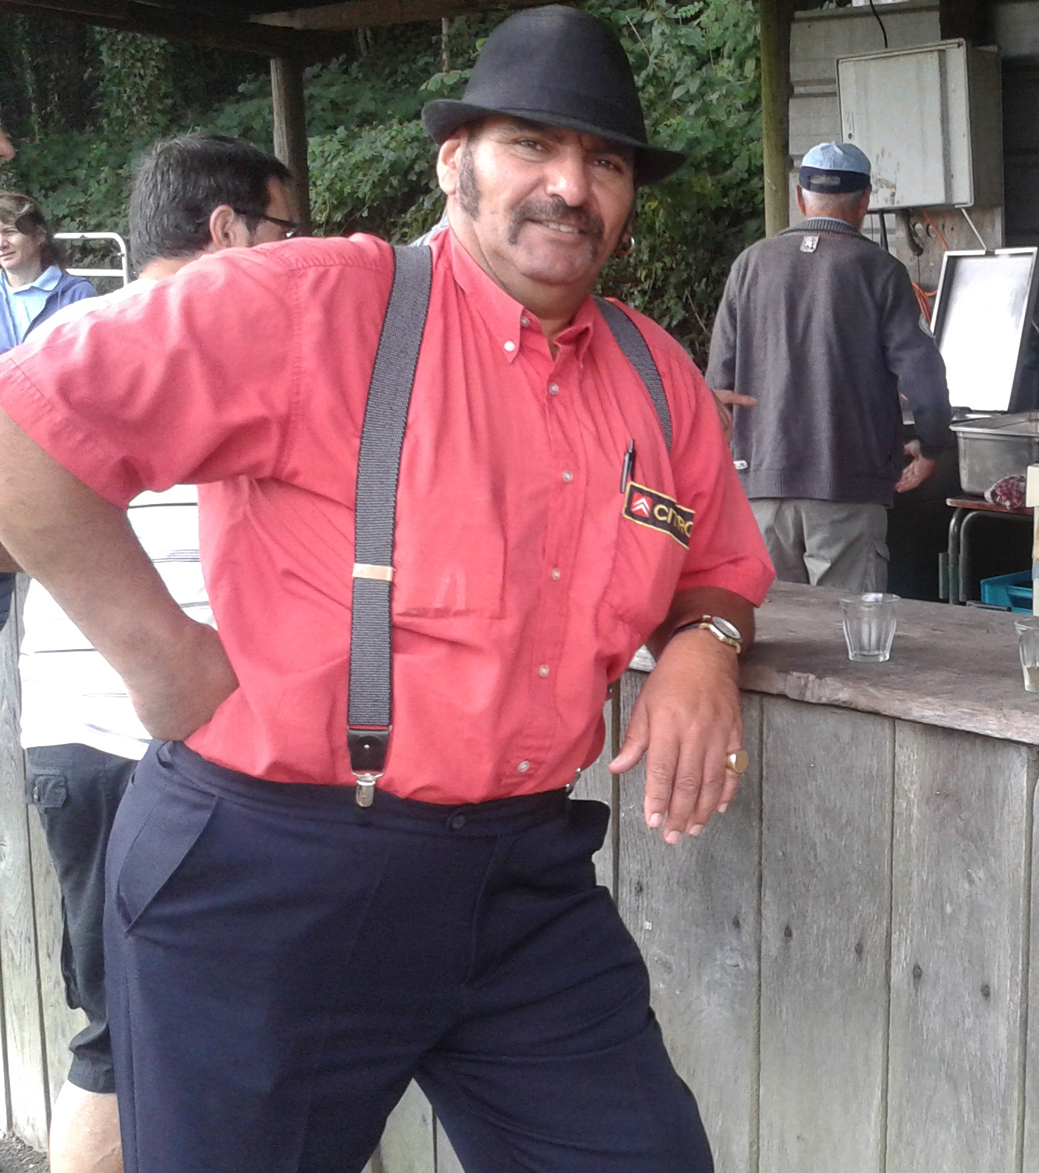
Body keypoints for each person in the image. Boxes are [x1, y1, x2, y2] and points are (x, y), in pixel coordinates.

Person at [0, 7, 773, 1173]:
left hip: (522, 876)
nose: (571, 186)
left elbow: (716, 565)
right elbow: (22, 434)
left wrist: (707, 644)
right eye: (532, 145)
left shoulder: (657, 377)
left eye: (606, 162)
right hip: (275, 873)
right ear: (455, 161)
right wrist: (165, 665)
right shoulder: (312, 300)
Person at [2, 133, 294, 1173]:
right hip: (194, 742)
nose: (299, 255)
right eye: (286, 230)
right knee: (223, 1028)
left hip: (75, 744)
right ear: (226, 229)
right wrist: (167, 658)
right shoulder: (238, 354)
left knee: (121, 1036)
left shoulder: (62, 348)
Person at [706, 140, 953, 592]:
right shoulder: (880, 270)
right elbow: (923, 375)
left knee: (777, 625)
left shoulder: (750, 265)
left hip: (759, 489)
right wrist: (934, 444)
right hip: (847, 489)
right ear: (864, 201)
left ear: (800, 199)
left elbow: (717, 384)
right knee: (848, 627)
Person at [0, 192, 95, 352]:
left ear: (39, 236)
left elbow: (88, 358)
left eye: (9, 232)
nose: (1, 244)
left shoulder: (76, 294)